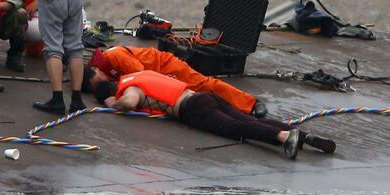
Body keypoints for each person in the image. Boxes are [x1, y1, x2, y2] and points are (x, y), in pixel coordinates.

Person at [95, 70, 337, 159]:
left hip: (193, 109)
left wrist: (112, 103)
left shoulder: (128, 88)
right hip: (203, 96)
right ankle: (306, 137)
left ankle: (285, 138)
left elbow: (129, 102)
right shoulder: (140, 73)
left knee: (236, 129)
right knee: (249, 120)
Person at [84, 45, 266, 117]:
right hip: (155, 75)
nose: (102, 83)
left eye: (98, 81)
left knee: (204, 85)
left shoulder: (114, 56)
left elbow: (141, 75)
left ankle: (251, 103)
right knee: (200, 96)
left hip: (166, 67)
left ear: (95, 69)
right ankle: (231, 109)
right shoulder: (105, 69)